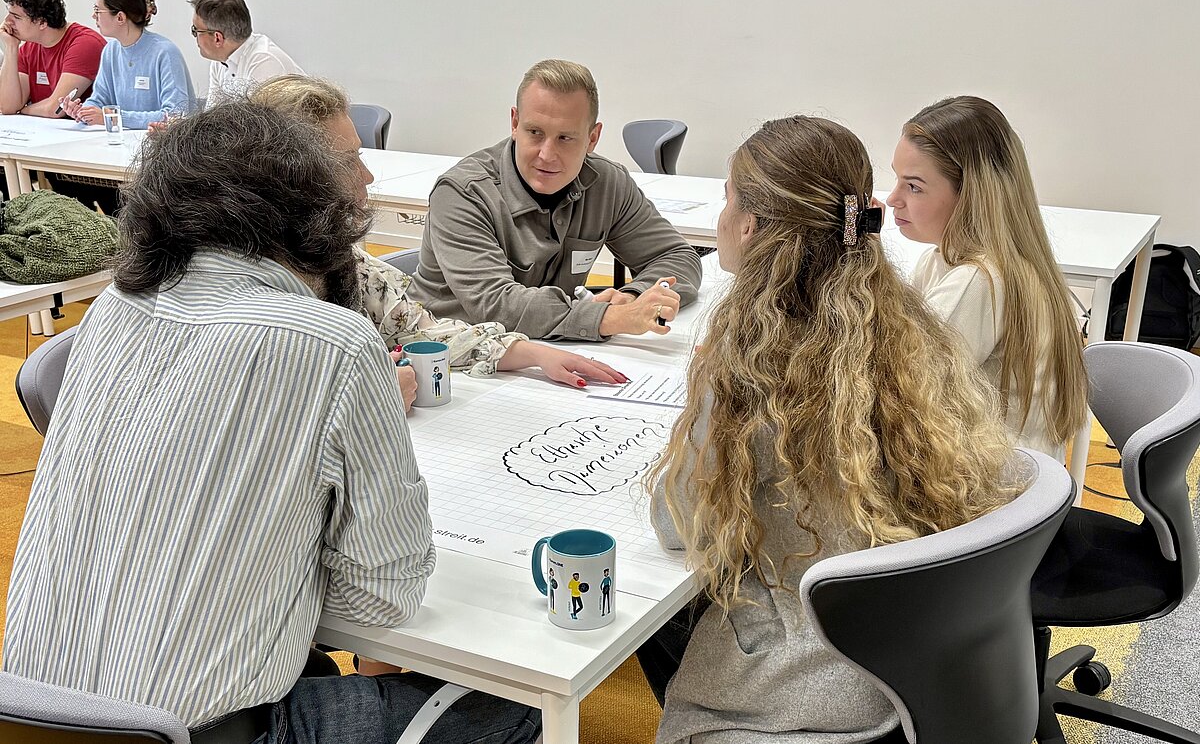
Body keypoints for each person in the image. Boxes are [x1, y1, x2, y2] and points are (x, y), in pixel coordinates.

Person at [1, 102, 540, 744]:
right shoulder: (335, 343)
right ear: (316, 217)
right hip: (205, 733)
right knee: (514, 707)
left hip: (31, 716)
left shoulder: (114, 307)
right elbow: (383, 600)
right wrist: (270, 575)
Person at [641, 116, 1022, 742]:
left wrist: (699, 413)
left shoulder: (749, 369)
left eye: (728, 199)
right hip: (906, 663)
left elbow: (677, 523)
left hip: (801, 698)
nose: (721, 217)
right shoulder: (910, 331)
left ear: (750, 226)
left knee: (648, 611)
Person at [248, 74, 626, 390]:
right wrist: (370, 395)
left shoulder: (344, 263)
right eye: (346, 162)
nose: (366, 176)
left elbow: (418, 329)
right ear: (289, 177)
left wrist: (533, 353)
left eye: (359, 157)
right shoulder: (242, 287)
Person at [408, 58, 702, 341]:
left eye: (565, 138)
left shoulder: (607, 183)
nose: (547, 155)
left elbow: (678, 257)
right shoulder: (462, 193)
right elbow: (497, 306)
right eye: (535, 132)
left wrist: (634, 297)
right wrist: (609, 318)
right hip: (448, 357)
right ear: (515, 123)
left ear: (592, 138)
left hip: (548, 354)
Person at [886, 96, 1088, 460]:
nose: (893, 199)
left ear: (970, 196)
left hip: (1001, 483)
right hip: (1004, 469)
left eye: (913, 187)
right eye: (897, 180)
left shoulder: (978, 280)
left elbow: (896, 390)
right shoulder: (943, 261)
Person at [61, 0, 194, 129]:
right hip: (122, 138)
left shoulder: (165, 52)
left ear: (120, 17)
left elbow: (176, 115)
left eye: (97, 10)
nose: (93, 16)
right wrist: (83, 112)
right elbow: (99, 99)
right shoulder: (110, 51)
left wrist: (115, 118)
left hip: (161, 141)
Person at [0, 0, 105, 116]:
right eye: (9, 14)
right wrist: (11, 48)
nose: (7, 21)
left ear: (42, 22)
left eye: (16, 17)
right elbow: (7, 107)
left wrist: (22, 109)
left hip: (82, 128)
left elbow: (55, 109)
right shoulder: (29, 47)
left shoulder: (85, 44)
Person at [188, 0, 302, 105]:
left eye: (195, 30)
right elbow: (213, 112)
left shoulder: (265, 62)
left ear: (217, 38)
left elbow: (258, 116)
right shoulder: (220, 61)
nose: (194, 35)